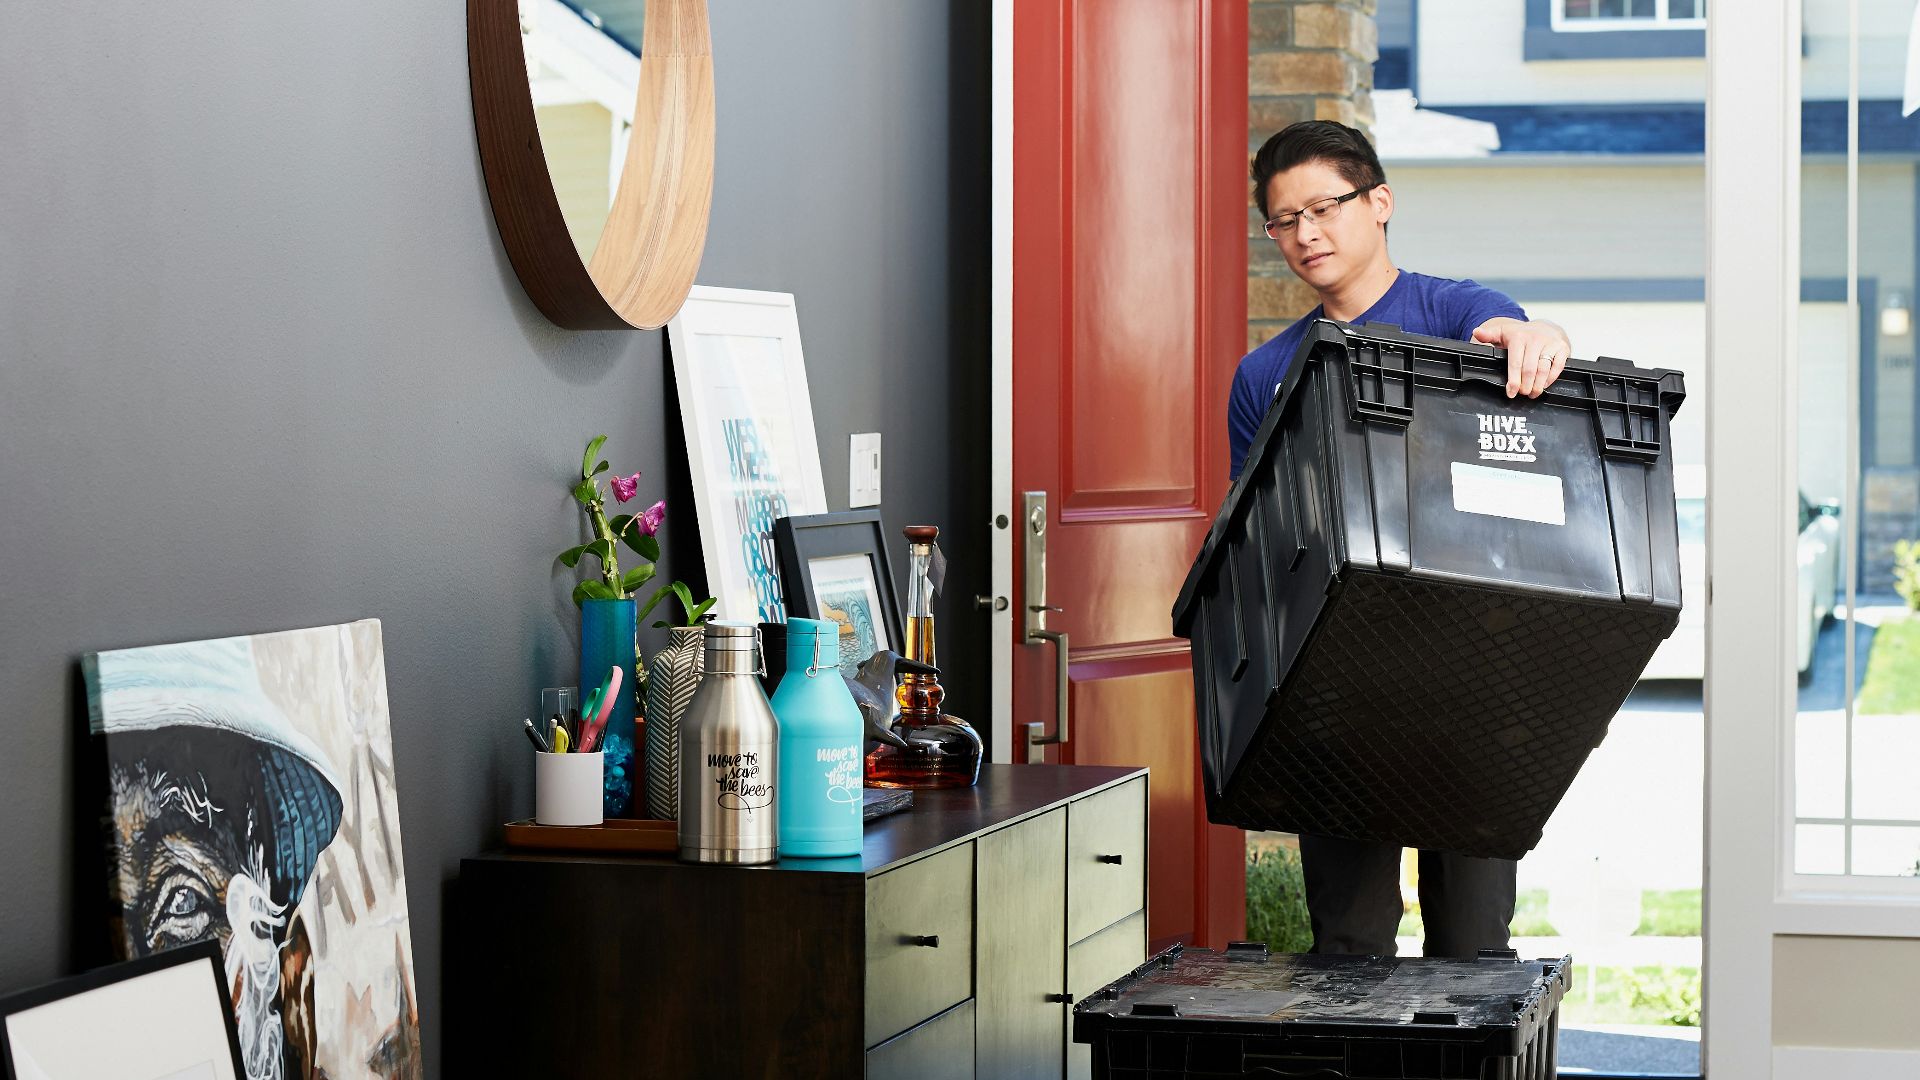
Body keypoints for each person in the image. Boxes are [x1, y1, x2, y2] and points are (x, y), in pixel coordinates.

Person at [1230, 120, 1575, 958]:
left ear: (1379, 202)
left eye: (1325, 207)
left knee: (1474, 942)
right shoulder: (1263, 374)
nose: (1306, 234)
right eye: (1285, 220)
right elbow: (1253, 538)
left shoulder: (1452, 312)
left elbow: (1511, 331)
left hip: (1474, 676)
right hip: (1336, 687)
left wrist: (1538, 337)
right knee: (1347, 944)